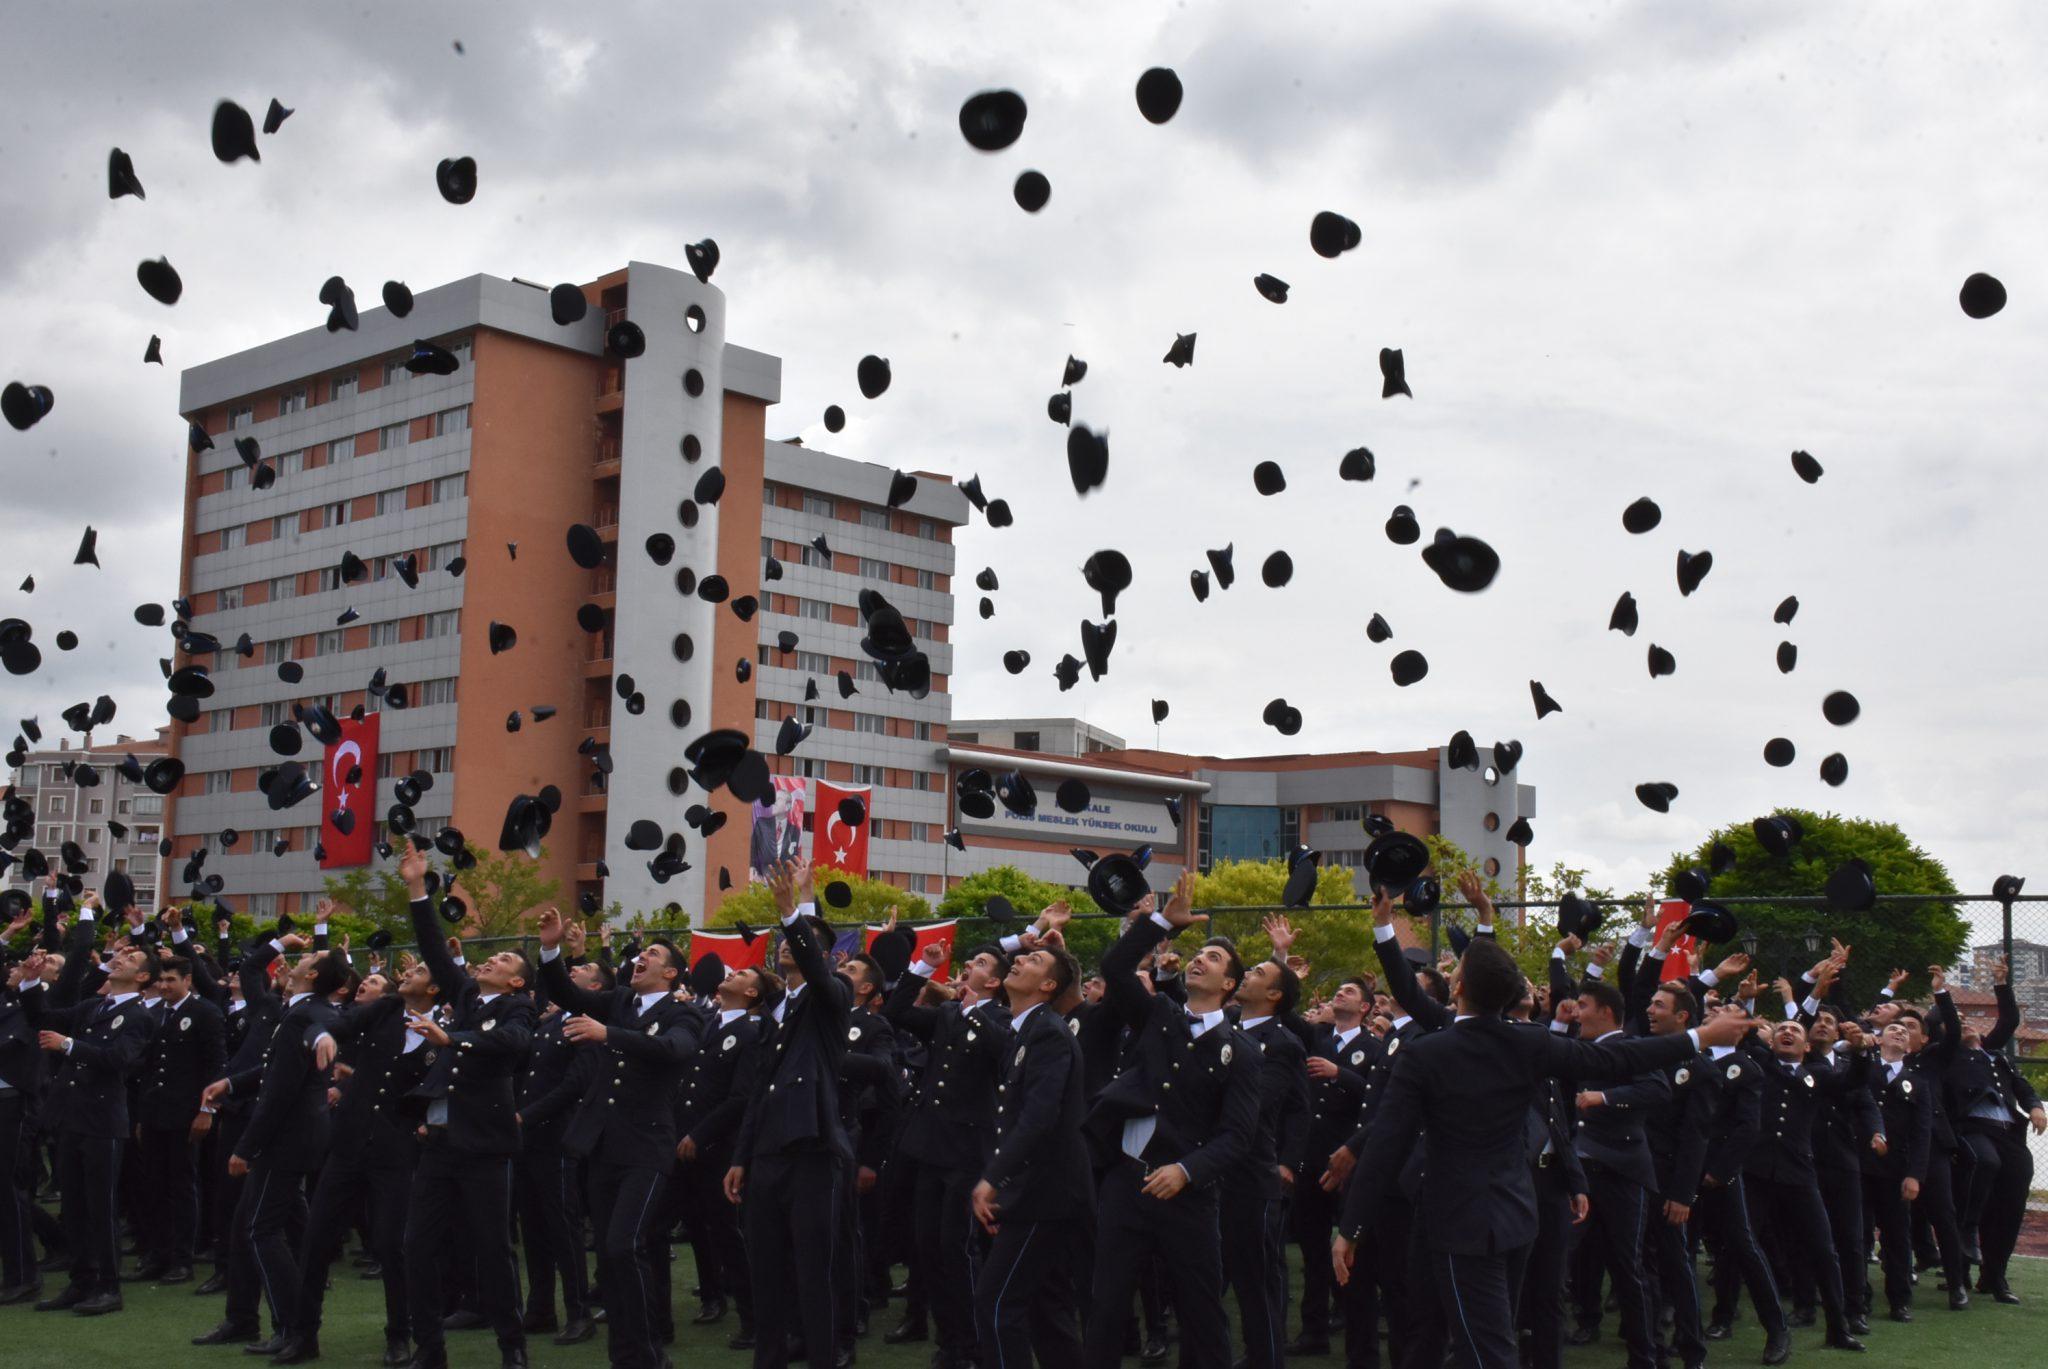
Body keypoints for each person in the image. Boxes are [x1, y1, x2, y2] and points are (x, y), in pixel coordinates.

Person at [1332, 937, 1745, 1369]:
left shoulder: (1427, 1053)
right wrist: (1699, 1036)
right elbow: (1614, 1060)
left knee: (1486, 1350)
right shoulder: (1529, 1042)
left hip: (1461, 1225)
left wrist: (1351, 1226)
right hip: (1515, 1216)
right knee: (1452, 1335)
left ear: (1458, 991)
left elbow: (1386, 1144)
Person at [1080, 872, 1261, 1369]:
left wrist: (1187, 1171)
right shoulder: (1160, 1013)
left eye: (1216, 958)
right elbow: (1116, 969)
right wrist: (1159, 923)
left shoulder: (1241, 1052)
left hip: (1188, 1196)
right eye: (1200, 954)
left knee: (1201, 1311)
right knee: (1106, 1305)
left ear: (1229, 985)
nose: (1201, 958)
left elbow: (1237, 1136)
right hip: (1126, 1182)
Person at [535, 907, 705, 1369]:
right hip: (603, 1145)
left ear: (670, 972)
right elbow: (566, 992)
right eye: (641, 952)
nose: (641, 957)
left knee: (623, 1245)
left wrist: (608, 1034)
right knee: (610, 1258)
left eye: (653, 953)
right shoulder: (620, 1001)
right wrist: (551, 949)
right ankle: (625, 1356)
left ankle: (650, 1353)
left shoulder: (682, 1013)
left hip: (647, 1147)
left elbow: (674, 1049)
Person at [397, 841, 537, 1369]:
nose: (490, 959)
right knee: (418, 1247)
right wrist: (417, 887)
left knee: (494, 1251)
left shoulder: (518, 1009)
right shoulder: (466, 997)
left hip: (485, 1146)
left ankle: (512, 1348)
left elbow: (514, 1044)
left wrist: (454, 1041)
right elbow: (434, 947)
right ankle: (429, 1349)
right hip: (438, 1143)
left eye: (502, 959)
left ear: (517, 980)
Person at [725, 861, 852, 1369]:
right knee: (767, 1272)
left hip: (813, 1148)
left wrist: (793, 911)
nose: (786, 946)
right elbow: (759, 1091)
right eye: (784, 940)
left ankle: (823, 1356)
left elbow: (818, 971)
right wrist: (741, 1157)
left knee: (812, 1273)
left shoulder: (832, 997)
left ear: (822, 955)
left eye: (798, 942)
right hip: (768, 1154)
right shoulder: (775, 1014)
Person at [205, 945, 346, 1361]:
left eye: (310, 957)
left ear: (315, 975)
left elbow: (318, 1028)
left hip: (289, 1138)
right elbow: (277, 1069)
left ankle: (293, 1327)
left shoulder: (312, 1011)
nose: (298, 961)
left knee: (259, 1229)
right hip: (295, 1137)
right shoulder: (295, 1007)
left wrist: (246, 1147)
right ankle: (250, 1318)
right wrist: (232, 1084)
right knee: (257, 1225)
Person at [882, 933, 1013, 1369]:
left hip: (967, 1149)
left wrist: (970, 1007)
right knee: (927, 1245)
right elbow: (898, 1012)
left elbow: (1001, 1051)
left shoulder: (1001, 1018)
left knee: (956, 1248)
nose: (968, 966)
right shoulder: (948, 1015)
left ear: (992, 982)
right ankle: (948, 1338)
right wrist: (923, 968)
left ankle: (971, 1344)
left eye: (978, 962)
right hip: (931, 1146)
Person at [32, 887, 159, 1316]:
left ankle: (108, 1286)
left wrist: (69, 1047)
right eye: (119, 955)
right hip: (74, 1117)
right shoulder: (96, 1006)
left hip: (103, 1120)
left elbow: (119, 1060)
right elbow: (48, 1016)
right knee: (76, 1205)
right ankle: (80, 1281)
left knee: (101, 1207)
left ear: (143, 978)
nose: (119, 957)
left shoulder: (140, 1015)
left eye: (130, 959)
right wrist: (32, 981)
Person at [971, 940, 1091, 1369]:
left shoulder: (1047, 1032)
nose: (1019, 959)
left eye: (1034, 960)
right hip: (1038, 1191)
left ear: (1048, 985)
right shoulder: (1024, 1030)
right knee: (1046, 1312)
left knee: (997, 1303)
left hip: (1046, 1194)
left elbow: (1040, 1117)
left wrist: (993, 1178)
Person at [1224, 920, 1309, 1369]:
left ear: (1274, 996)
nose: (1247, 975)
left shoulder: (1281, 1043)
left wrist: (1288, 1162)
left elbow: (1260, 1107)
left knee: (1257, 1284)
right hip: (1213, 1174)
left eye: (1257, 972)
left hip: (1249, 1177)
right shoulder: (1225, 1027)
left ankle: (1266, 1358)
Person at [130, 953, 224, 1286]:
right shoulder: (155, 1014)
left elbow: (215, 1066)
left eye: (172, 980)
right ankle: (159, 1253)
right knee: (154, 1185)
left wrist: (206, 1110)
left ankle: (183, 1259)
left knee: (182, 1185)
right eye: (162, 980)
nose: (165, 985)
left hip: (186, 1114)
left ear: (188, 980)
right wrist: (142, 1116)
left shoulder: (205, 1013)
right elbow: (150, 1070)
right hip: (156, 1113)